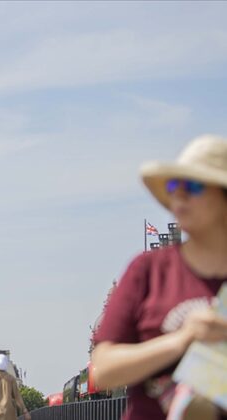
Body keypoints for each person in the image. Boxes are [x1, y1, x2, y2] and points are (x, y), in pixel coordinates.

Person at [91, 134, 227, 420]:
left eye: (193, 185)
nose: (178, 194)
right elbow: (103, 370)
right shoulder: (147, 271)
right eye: (174, 185)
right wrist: (183, 339)